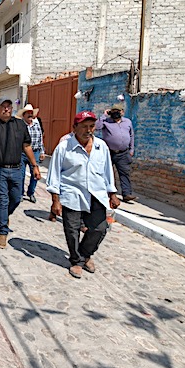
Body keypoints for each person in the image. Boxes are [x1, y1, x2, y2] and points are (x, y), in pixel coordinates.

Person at [47, 111, 121, 278]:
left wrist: (112, 193)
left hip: (97, 193)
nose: (88, 130)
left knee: (100, 228)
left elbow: (107, 171)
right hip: (72, 194)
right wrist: (55, 201)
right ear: (74, 128)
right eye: (84, 126)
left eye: (91, 126)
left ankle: (85, 254)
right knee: (72, 231)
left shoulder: (101, 146)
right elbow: (54, 175)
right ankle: (76, 261)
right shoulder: (63, 147)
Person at [0, 98, 41, 249]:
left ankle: (4, 216)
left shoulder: (20, 125)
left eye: (9, 106)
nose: (6, 109)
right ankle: (2, 232)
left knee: (16, 198)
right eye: (3, 107)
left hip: (16, 168)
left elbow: (26, 146)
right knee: (2, 200)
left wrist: (34, 165)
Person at [96, 103, 137, 202]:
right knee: (106, 173)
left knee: (124, 173)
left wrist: (131, 149)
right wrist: (104, 115)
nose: (116, 114)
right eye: (113, 112)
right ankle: (105, 192)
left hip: (123, 153)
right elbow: (97, 127)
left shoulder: (127, 122)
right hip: (109, 152)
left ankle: (126, 194)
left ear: (122, 112)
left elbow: (131, 135)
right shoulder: (106, 121)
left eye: (118, 112)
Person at [19, 104, 46, 203]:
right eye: (28, 113)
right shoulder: (20, 125)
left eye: (31, 113)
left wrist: (42, 151)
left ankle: (31, 193)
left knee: (35, 174)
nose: (30, 115)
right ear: (24, 115)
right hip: (22, 153)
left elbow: (40, 138)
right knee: (20, 175)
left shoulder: (37, 123)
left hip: (35, 152)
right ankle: (20, 193)